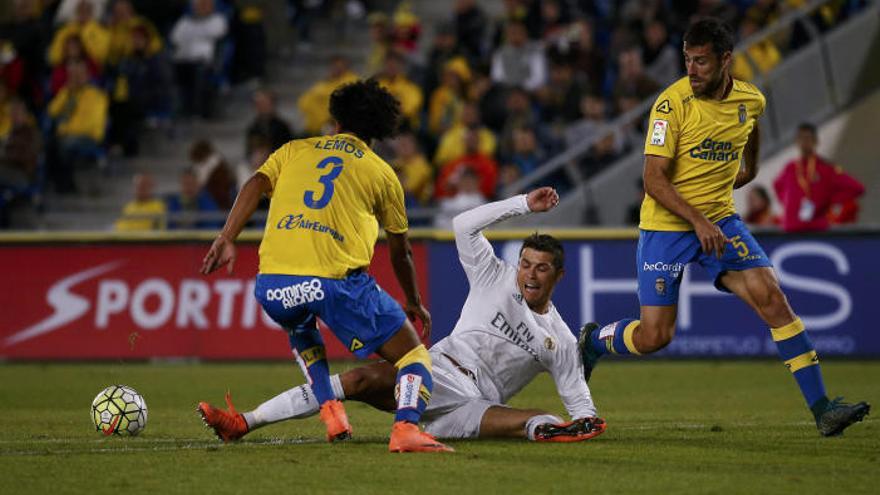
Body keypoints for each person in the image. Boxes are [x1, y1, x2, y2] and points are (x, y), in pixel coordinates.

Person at [578, 18, 869, 437]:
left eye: (700, 62)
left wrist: (749, 169)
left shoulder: (751, 99)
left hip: (718, 221)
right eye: (687, 61)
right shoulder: (670, 104)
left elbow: (749, 129)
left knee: (772, 298)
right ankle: (593, 341)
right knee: (655, 336)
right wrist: (697, 221)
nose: (691, 70)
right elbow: (653, 181)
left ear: (726, 60)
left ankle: (822, 408)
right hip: (667, 227)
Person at [199, 188, 606, 443]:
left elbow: (580, 403)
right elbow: (464, 224)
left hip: (473, 409)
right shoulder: (493, 276)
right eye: (526, 263)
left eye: (541, 268)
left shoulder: (561, 340)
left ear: (559, 275)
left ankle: (542, 429)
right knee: (361, 378)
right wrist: (522, 204)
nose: (529, 275)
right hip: (442, 373)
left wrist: (588, 420)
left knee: (538, 421)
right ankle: (244, 422)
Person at [198, 79, 452, 453]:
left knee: (303, 328)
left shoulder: (293, 150)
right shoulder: (383, 174)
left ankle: (331, 409)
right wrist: (412, 299)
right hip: (336, 283)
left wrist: (226, 237)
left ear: (336, 117)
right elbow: (402, 251)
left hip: (272, 286)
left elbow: (255, 182)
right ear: (381, 130)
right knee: (414, 356)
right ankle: (406, 429)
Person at [772, 123, 864, 233]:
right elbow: (777, 186)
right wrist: (789, 204)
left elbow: (857, 188)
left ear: (816, 141)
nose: (804, 142)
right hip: (792, 227)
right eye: (801, 138)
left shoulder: (826, 168)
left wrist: (830, 200)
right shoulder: (790, 168)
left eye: (808, 138)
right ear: (796, 142)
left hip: (817, 228)